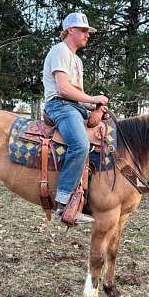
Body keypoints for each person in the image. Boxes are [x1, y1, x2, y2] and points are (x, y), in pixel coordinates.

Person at [42, 12, 108, 224]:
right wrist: (92, 98)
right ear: (70, 30)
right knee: (79, 144)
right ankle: (63, 203)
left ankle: (89, 196)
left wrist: (96, 105)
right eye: (83, 30)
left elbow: (78, 94)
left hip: (74, 107)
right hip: (59, 106)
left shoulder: (77, 61)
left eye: (88, 31)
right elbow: (62, 89)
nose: (87, 34)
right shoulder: (59, 51)